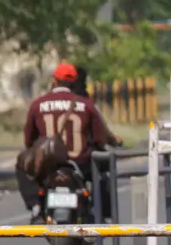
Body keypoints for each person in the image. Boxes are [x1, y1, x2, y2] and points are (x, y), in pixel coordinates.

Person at [18, 62, 122, 220]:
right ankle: (104, 213)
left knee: (22, 163)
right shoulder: (86, 105)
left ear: (54, 81)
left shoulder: (37, 105)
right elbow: (100, 138)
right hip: (80, 164)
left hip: (49, 164)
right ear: (74, 83)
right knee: (106, 167)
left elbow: (28, 141)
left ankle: (35, 205)